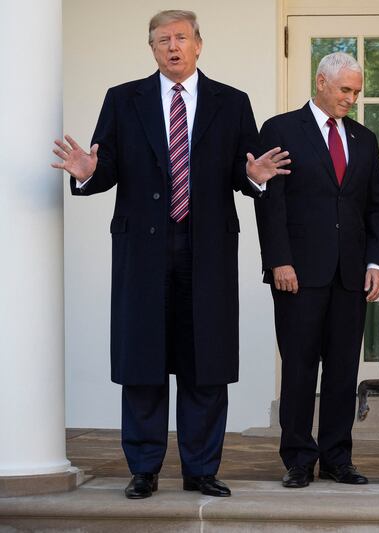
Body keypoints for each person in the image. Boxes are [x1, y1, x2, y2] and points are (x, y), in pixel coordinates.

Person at [51, 10, 289, 499]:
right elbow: (105, 168)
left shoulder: (232, 102)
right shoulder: (124, 100)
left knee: (206, 361)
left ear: (199, 44)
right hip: (143, 251)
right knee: (143, 360)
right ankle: (144, 468)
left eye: (181, 37)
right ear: (153, 49)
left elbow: (245, 170)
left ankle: (202, 469)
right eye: (162, 40)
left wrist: (256, 178)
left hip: (208, 251)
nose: (172, 46)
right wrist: (86, 171)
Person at [254, 52, 379, 488]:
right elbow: (270, 202)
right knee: (298, 367)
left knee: (341, 369)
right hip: (297, 272)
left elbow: (377, 209)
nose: (351, 98)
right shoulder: (280, 129)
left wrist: (376, 263)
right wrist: (279, 260)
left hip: (351, 275)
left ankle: (337, 457)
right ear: (320, 83)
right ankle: (298, 458)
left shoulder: (365, 139)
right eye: (345, 90)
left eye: (356, 91)